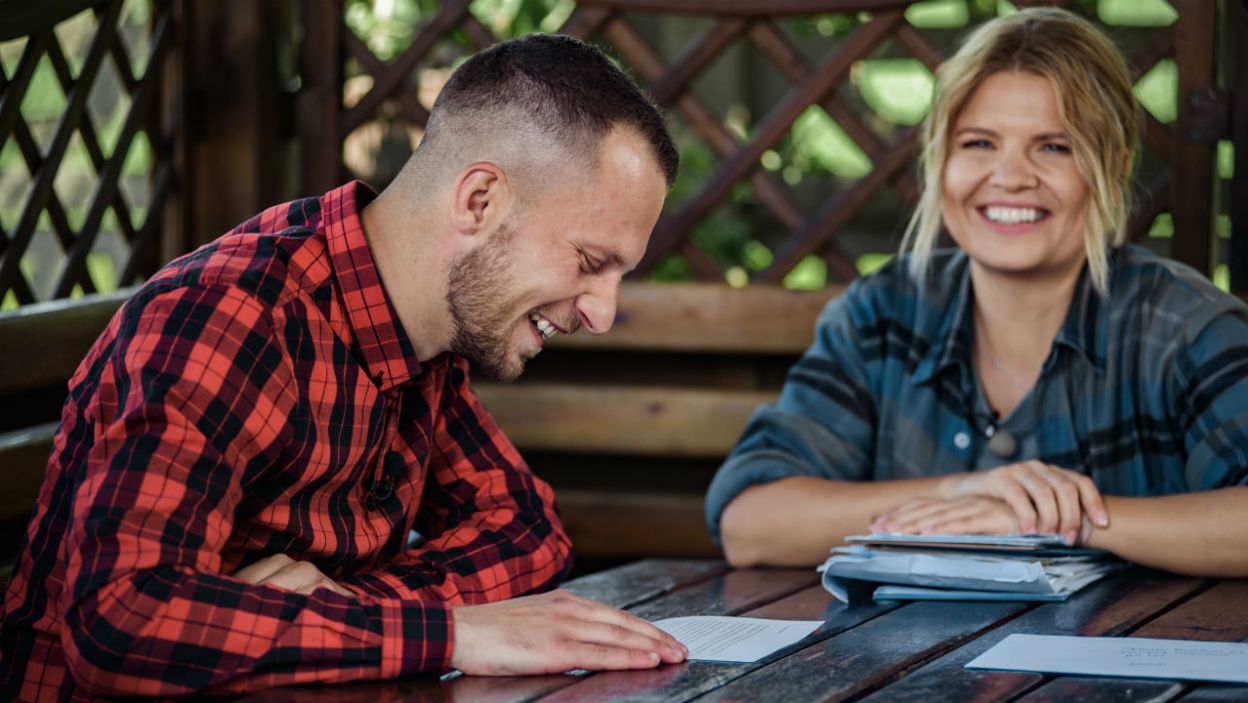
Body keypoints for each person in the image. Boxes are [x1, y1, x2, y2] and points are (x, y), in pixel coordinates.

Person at [0, 34, 687, 700]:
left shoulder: (420, 339)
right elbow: (122, 618)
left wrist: (363, 608)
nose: (602, 312)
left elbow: (527, 529)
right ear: (481, 201)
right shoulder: (228, 318)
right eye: (592, 263)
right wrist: (450, 636)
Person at [706, 8, 1248, 576]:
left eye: (1054, 147)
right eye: (979, 143)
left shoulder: (1185, 327)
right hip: (901, 662)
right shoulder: (882, 314)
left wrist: (1060, 518)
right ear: (940, 162)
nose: (1010, 176)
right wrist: (962, 491)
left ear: (1114, 167)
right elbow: (750, 523)